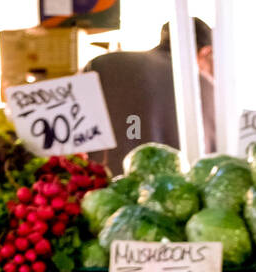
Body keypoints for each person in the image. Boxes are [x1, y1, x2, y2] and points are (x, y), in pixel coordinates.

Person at [85, 19, 216, 171]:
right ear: (206, 52)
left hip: (99, 185)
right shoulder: (200, 86)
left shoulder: (102, 64)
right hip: (163, 189)